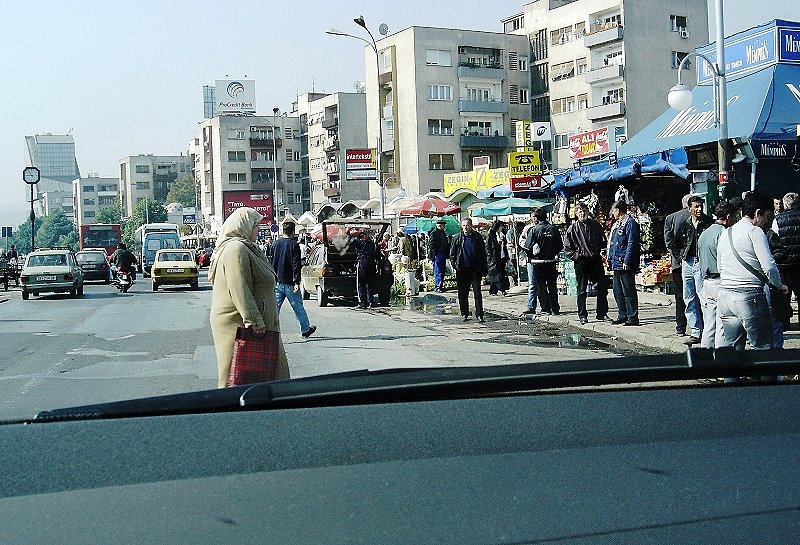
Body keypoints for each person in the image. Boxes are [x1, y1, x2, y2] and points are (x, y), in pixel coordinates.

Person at [209, 207, 289, 388]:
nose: (258, 231)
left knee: (265, 374)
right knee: (236, 375)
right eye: (255, 226)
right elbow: (239, 287)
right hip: (239, 324)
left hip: (255, 323)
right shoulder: (235, 249)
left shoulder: (247, 248)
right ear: (244, 226)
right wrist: (254, 321)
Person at [717, 190, 788, 351]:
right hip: (749, 296)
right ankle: (764, 377)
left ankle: (732, 377)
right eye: (766, 216)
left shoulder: (726, 233)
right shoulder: (755, 232)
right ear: (758, 213)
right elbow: (769, 266)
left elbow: (720, 266)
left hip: (725, 297)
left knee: (733, 351)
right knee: (763, 348)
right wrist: (779, 285)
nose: (766, 221)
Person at [696, 201, 738, 348]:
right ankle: (720, 357)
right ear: (728, 217)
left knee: (709, 322)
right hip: (720, 280)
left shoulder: (704, 233)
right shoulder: (724, 233)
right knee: (722, 324)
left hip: (707, 281)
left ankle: (705, 354)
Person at [674, 195, 714, 345]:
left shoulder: (708, 223)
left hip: (701, 262)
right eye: (695, 206)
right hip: (687, 263)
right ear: (689, 208)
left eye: (700, 206)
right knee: (689, 297)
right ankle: (696, 331)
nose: (699, 209)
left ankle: (709, 331)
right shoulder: (685, 224)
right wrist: (680, 257)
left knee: (703, 297)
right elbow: (674, 241)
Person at [563, 202, 609, 325]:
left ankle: (602, 313)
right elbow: (567, 248)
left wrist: (602, 251)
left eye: (584, 211)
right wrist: (577, 256)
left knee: (602, 288)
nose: (582, 213)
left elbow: (603, 241)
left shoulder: (595, 225)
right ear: (576, 214)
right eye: (580, 211)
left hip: (595, 259)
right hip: (581, 261)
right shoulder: (573, 228)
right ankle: (582, 315)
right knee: (582, 290)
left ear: (588, 212)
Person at [269, 222, 316, 339]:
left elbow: (271, 263)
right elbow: (296, 264)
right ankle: (305, 329)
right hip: (290, 283)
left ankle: (270, 330)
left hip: (277, 282)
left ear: (282, 231)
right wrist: (296, 282)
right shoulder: (294, 245)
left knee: (275, 308)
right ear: (293, 231)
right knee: (298, 307)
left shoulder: (275, 244)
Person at [608, 201, 640, 326]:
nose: (612, 213)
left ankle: (632, 317)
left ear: (618, 210)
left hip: (625, 262)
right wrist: (610, 259)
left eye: (613, 211)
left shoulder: (630, 223)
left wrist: (627, 260)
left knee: (628, 290)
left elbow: (632, 243)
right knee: (617, 291)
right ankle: (622, 314)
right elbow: (612, 244)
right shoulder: (617, 224)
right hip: (616, 263)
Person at [449, 217, 487, 323]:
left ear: (471, 226)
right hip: (462, 269)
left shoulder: (477, 237)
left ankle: (479, 314)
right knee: (462, 293)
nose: (466, 227)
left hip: (475, 269)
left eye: (467, 225)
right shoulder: (457, 238)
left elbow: (483, 253)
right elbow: (452, 254)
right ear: (462, 226)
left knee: (477, 293)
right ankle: (464, 313)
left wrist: (484, 268)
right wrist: (455, 265)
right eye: (464, 225)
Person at [664, 195, 691, 337]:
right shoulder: (699, 218)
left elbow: (668, 241)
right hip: (693, 261)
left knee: (680, 295)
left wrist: (678, 257)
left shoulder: (671, 218)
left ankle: (681, 326)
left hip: (677, 264)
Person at [772, 192, 800, 328]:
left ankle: (785, 323)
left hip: (784, 263)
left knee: (784, 296)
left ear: (785, 204)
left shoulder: (778, 220)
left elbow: (774, 239)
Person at [529, 207, 563, 315]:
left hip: (539, 262)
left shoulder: (534, 230)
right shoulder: (554, 229)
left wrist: (532, 256)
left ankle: (545, 308)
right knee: (552, 285)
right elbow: (560, 245)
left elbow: (527, 246)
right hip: (551, 261)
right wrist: (552, 253)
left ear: (537, 218)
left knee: (541, 286)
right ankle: (555, 308)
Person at [348, 227, 379, 309]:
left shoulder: (360, 243)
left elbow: (349, 238)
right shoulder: (372, 244)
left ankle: (362, 302)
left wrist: (348, 230)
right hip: (372, 263)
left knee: (361, 283)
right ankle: (371, 301)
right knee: (370, 283)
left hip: (363, 263)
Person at [518, 210, 539, 314]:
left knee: (544, 284)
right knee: (532, 284)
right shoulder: (527, 228)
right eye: (533, 216)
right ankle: (531, 306)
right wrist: (528, 248)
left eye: (536, 216)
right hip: (531, 259)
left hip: (543, 259)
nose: (535, 218)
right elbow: (521, 242)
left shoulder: (544, 226)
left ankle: (547, 306)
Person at [485, 220, 510, 296]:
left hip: (502, 256)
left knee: (499, 273)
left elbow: (504, 247)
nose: (502, 228)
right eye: (501, 226)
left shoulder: (502, 235)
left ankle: (493, 290)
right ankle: (502, 289)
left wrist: (506, 256)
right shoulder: (491, 236)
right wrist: (490, 256)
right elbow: (487, 248)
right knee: (496, 273)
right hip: (494, 258)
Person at [427, 219, 449, 293]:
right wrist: (435, 253)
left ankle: (440, 286)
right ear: (440, 225)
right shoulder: (434, 233)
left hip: (442, 254)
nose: (444, 226)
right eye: (443, 225)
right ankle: (438, 287)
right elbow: (431, 244)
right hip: (438, 254)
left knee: (441, 271)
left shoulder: (442, 232)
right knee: (438, 271)